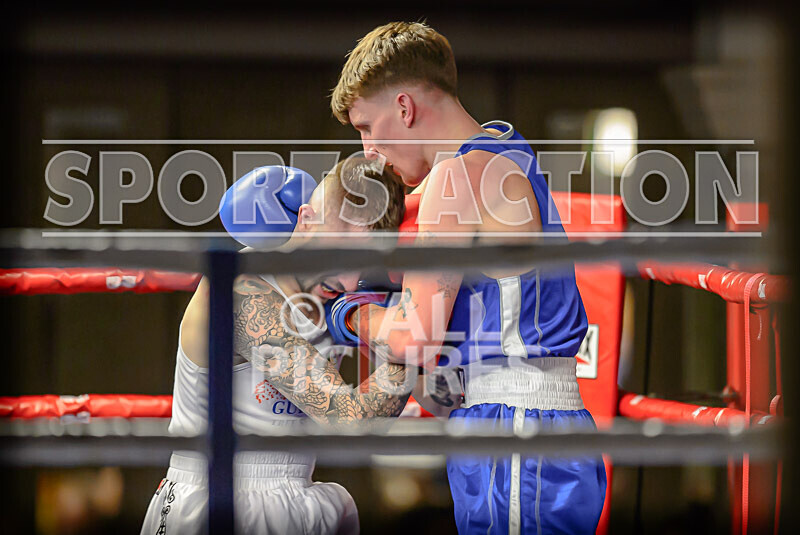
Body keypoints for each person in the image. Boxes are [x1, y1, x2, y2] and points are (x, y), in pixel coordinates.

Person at [327, 22, 607, 534]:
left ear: (405, 108)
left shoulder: (456, 177)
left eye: (367, 126)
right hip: (518, 423)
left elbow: (413, 338)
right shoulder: (504, 145)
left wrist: (346, 313)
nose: (368, 150)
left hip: (516, 430)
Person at [140, 158, 409, 535]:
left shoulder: (338, 299)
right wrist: (418, 335)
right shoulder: (242, 291)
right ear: (306, 220)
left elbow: (439, 403)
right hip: (216, 498)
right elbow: (352, 421)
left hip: (299, 496)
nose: (349, 282)